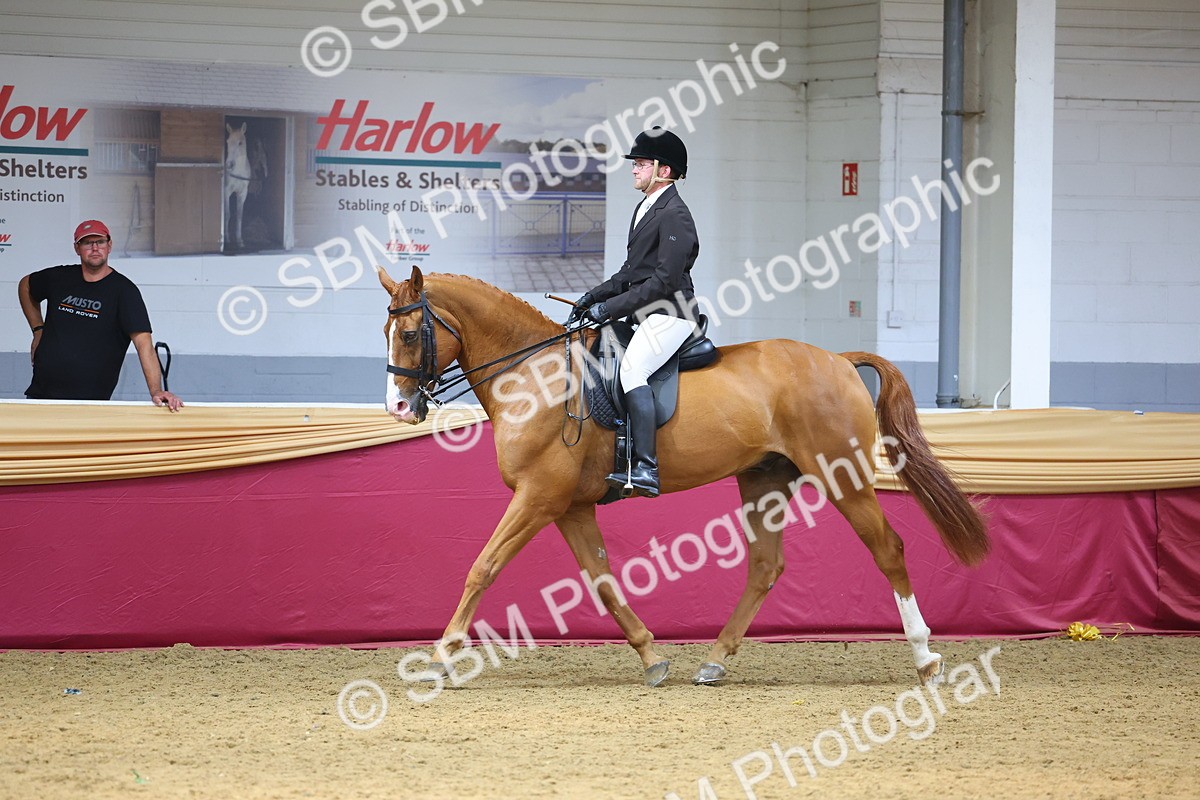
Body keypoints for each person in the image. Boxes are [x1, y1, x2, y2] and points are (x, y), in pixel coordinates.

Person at [567, 127, 699, 498]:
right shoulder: (645, 207)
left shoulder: (676, 214)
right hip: (646, 313)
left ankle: (645, 466)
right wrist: (591, 297)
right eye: (636, 163)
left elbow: (663, 280)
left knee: (633, 369)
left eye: (641, 164)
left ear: (665, 171)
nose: (634, 169)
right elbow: (631, 273)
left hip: (672, 313)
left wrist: (608, 308)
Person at [17, 219, 184, 411]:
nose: (95, 248)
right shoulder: (59, 278)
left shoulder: (124, 291)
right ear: (77, 248)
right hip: (40, 398)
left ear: (109, 245)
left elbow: (144, 344)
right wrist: (38, 330)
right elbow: (26, 285)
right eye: (87, 243)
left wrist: (156, 390)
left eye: (100, 242)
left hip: (90, 406)